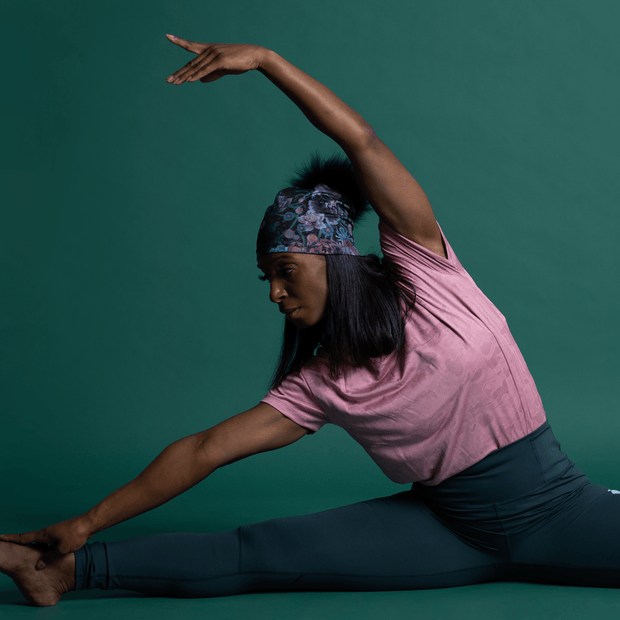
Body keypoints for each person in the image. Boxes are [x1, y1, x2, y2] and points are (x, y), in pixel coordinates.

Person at [1, 34, 619, 608]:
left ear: (334, 258)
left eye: (285, 270)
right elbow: (203, 450)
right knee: (258, 553)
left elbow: (364, 144)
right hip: (445, 529)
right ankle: (57, 572)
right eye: (265, 277)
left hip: (558, 510)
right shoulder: (322, 382)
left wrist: (268, 61)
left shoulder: (429, 275)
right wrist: (83, 525)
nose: (274, 293)